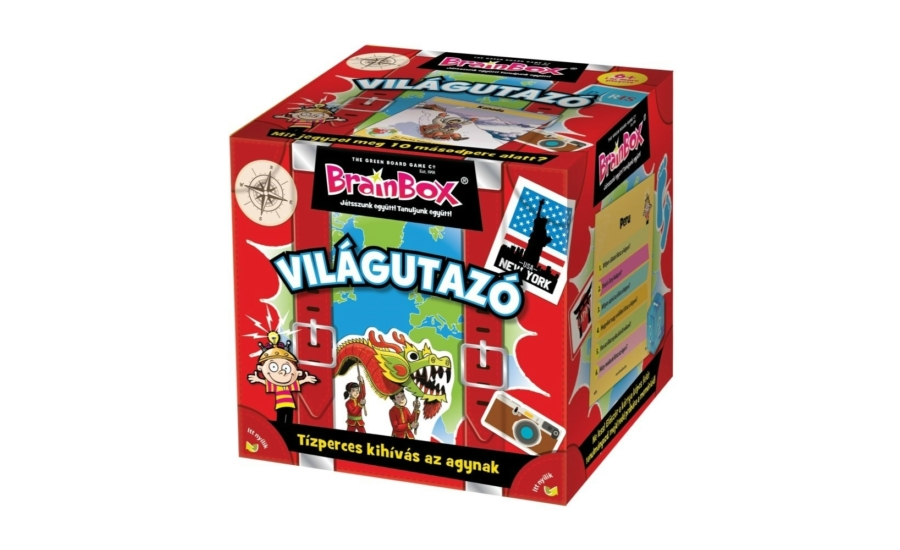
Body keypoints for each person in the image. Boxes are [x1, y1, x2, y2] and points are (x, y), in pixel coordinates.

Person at [247, 331, 319, 424]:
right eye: (273, 367)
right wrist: (258, 379)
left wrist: (306, 379)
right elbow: (266, 383)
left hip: (290, 405)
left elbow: (298, 383)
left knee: (289, 419)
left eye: (286, 368)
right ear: (260, 368)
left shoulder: (290, 384)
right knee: (281, 419)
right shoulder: (276, 385)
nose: (282, 371)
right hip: (280, 405)